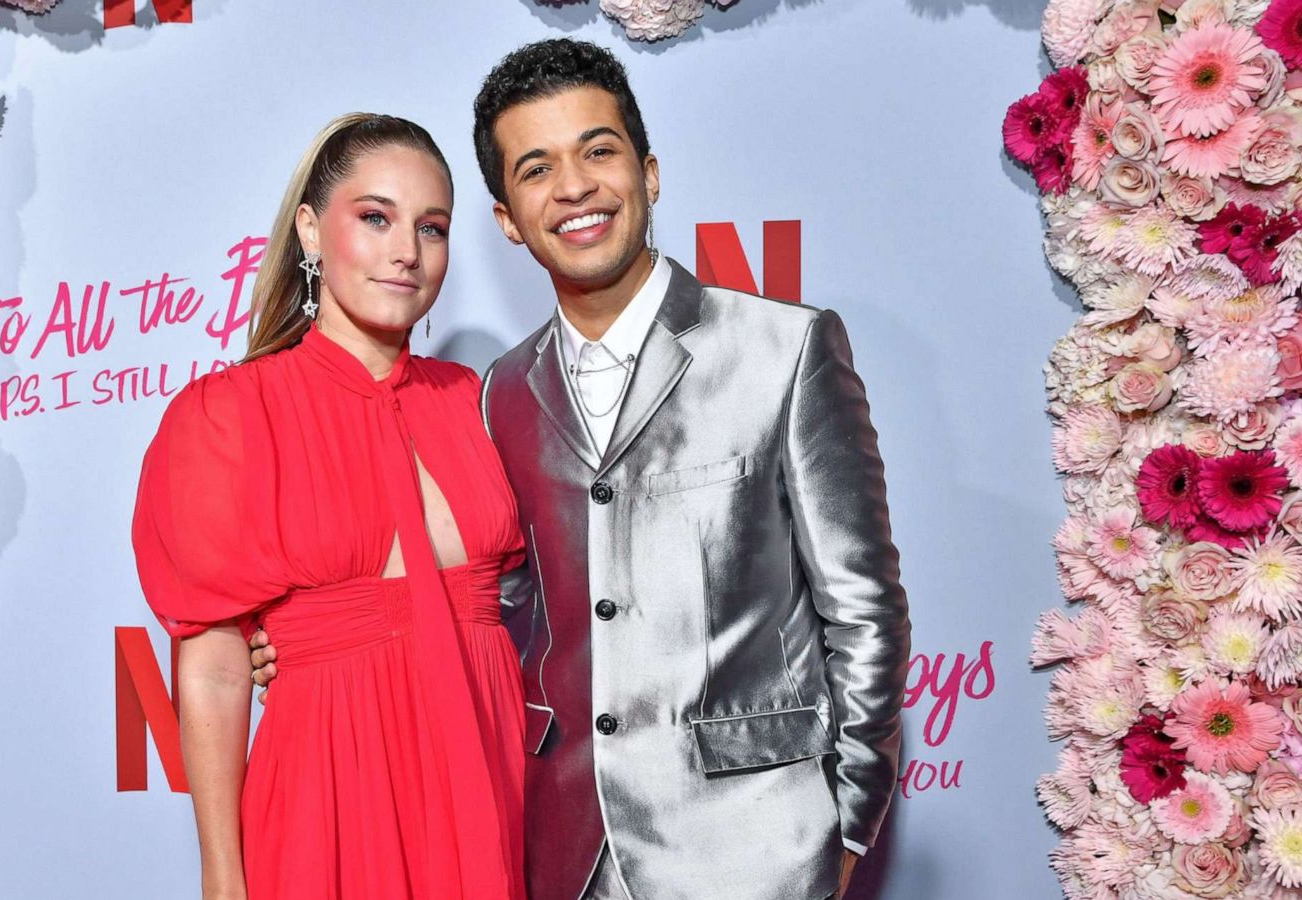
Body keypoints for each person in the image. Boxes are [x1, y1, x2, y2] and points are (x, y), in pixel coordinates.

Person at [252, 40, 912, 900]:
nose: (574, 188)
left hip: (760, 848)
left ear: (649, 171)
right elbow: (492, 608)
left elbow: (862, 607)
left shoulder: (784, 350)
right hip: (563, 850)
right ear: (507, 219)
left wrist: (846, 829)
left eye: (597, 151)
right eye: (537, 169)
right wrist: (308, 639)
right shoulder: (498, 397)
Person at [131, 113, 527, 900]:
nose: (406, 251)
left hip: (492, 777)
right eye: (375, 218)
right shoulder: (232, 413)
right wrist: (223, 873)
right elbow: (211, 665)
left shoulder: (480, 405)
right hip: (327, 793)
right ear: (311, 230)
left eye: (432, 227)